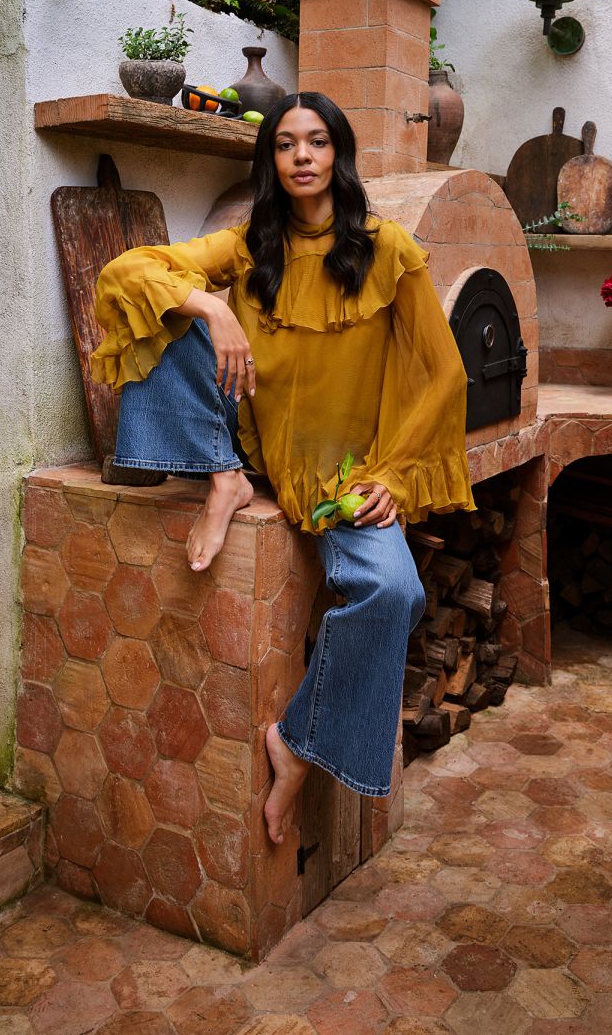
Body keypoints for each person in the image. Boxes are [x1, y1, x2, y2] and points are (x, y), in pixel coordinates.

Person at [90, 91, 475, 844]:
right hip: (255, 448)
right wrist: (214, 307)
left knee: (396, 591)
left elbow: (445, 375)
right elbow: (124, 272)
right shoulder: (248, 244)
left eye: (318, 141)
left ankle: (299, 747)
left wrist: (392, 477)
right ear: (271, 159)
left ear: (339, 155)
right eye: (286, 144)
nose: (302, 155)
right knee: (160, 309)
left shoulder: (387, 247)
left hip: (342, 477)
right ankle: (220, 475)